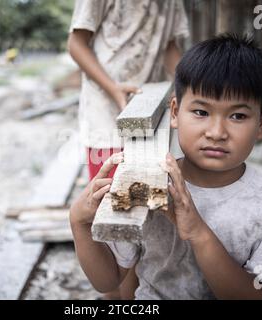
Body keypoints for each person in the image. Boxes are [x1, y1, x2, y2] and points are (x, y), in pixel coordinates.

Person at [70, 34, 262, 299]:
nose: (217, 132)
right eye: (201, 112)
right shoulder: (147, 181)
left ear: (261, 123)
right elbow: (108, 280)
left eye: (238, 116)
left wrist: (198, 232)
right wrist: (79, 223)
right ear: (174, 112)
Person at [67, 0, 189, 299]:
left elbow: (170, 47)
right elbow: (76, 43)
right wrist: (113, 88)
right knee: (114, 221)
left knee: (141, 215)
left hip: (147, 119)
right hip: (105, 120)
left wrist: (192, 91)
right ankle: (114, 295)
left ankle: (134, 294)